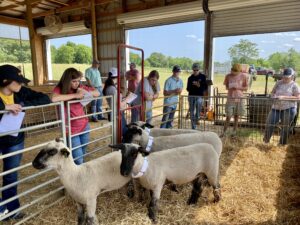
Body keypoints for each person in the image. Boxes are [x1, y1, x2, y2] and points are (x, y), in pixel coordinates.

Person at [0, 65, 51, 220]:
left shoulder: (20, 92)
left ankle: (12, 209)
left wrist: (22, 105)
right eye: (18, 81)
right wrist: (4, 107)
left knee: (11, 176)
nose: (21, 84)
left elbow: (45, 98)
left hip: (14, 139)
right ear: (4, 80)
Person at [52, 68, 99, 165]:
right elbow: (54, 98)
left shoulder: (79, 87)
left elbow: (97, 93)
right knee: (78, 158)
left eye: (78, 81)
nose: (77, 83)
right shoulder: (59, 88)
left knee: (82, 152)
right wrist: (75, 95)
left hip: (84, 125)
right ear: (67, 80)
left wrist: (84, 92)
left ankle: (79, 173)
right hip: (70, 129)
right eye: (74, 81)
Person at [263, 68, 300, 145]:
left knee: (285, 127)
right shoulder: (278, 83)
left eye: (287, 77)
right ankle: (265, 142)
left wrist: (284, 97)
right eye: (284, 76)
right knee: (270, 123)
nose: (285, 78)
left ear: (292, 77)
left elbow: (298, 97)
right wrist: (273, 96)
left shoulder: (294, 85)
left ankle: (281, 144)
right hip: (276, 107)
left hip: (289, 108)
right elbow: (272, 92)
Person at [221, 63, 248, 137]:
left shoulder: (243, 76)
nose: (233, 72)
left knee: (237, 116)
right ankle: (224, 132)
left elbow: (246, 88)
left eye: (235, 71)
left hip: (239, 98)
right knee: (228, 115)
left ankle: (234, 132)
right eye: (232, 70)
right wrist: (230, 87)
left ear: (239, 71)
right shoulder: (228, 76)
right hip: (230, 98)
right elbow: (226, 86)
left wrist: (238, 88)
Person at [103, 67, 128, 135]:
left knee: (119, 132)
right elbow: (119, 104)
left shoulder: (110, 87)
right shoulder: (112, 89)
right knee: (122, 132)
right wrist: (128, 98)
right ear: (117, 77)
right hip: (117, 113)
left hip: (115, 112)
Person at [186, 63, 207, 129]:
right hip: (191, 96)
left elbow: (205, 87)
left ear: (199, 70)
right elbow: (188, 88)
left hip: (199, 96)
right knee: (191, 111)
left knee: (198, 105)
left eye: (197, 70)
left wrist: (199, 86)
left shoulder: (203, 77)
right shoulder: (190, 78)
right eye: (194, 70)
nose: (195, 71)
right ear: (192, 70)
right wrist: (193, 85)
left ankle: (197, 118)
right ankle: (193, 126)